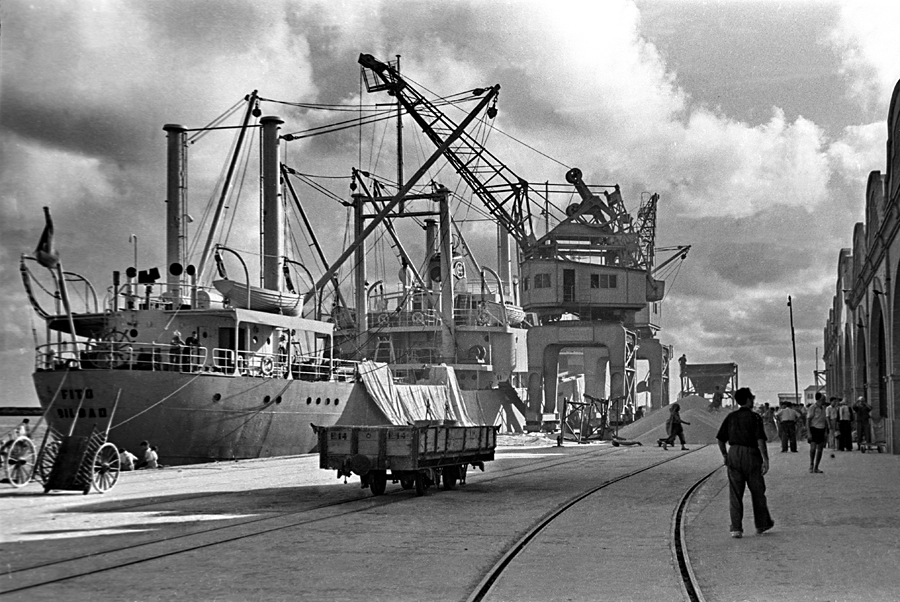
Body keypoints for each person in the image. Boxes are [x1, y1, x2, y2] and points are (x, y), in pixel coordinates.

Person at [716, 387, 774, 538]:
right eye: (752, 397)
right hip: (751, 454)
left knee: (735, 493)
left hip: (734, 453)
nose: (753, 400)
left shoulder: (731, 417)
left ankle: (736, 528)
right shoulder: (755, 417)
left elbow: (721, 439)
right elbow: (760, 440)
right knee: (757, 491)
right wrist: (765, 459)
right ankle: (761, 525)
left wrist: (725, 455)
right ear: (748, 400)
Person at [807, 393, 828, 472]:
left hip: (821, 429)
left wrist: (826, 431)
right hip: (814, 429)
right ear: (820, 399)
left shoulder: (823, 408)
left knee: (820, 450)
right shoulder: (813, 408)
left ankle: (816, 467)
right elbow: (808, 420)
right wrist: (809, 432)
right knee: (813, 449)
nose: (824, 400)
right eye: (823, 399)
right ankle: (811, 464)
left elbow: (824, 420)